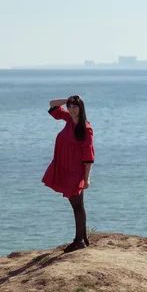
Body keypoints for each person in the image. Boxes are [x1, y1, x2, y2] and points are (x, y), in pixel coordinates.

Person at [42, 95, 94, 253]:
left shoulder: (86, 128)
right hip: (65, 167)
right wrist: (69, 100)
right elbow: (52, 104)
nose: (71, 110)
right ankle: (83, 238)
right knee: (79, 205)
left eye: (75, 107)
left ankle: (79, 241)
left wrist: (86, 178)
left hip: (75, 171)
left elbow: (88, 157)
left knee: (77, 205)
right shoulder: (69, 119)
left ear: (81, 108)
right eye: (70, 107)